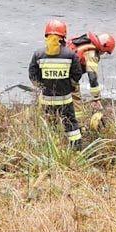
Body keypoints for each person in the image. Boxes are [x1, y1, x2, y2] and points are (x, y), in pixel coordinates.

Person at [28, 19, 84, 149]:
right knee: (71, 125)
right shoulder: (70, 54)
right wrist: (69, 86)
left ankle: (51, 149)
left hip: (46, 101)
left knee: (49, 124)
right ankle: (76, 148)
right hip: (65, 100)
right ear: (63, 37)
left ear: (47, 36)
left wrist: (42, 86)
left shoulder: (38, 54)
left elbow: (32, 75)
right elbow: (77, 74)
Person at [69, 31, 116, 128]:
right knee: (76, 103)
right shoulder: (92, 54)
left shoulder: (85, 43)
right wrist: (96, 99)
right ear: (104, 47)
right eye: (105, 52)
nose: (103, 54)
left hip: (63, 71)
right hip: (69, 77)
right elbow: (93, 77)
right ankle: (78, 127)